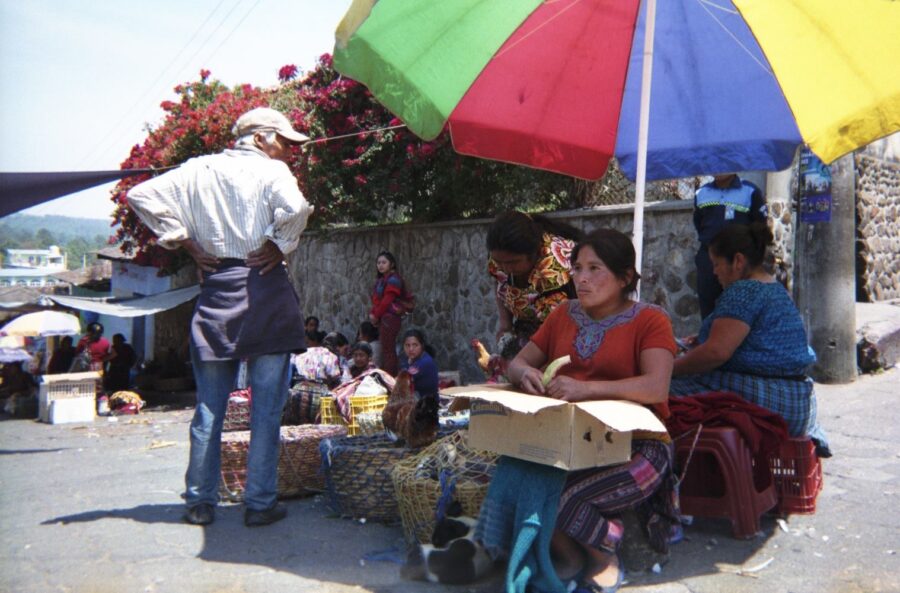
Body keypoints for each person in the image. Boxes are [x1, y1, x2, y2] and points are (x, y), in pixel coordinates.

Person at [126, 107, 313, 528]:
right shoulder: (272, 172)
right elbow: (297, 208)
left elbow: (141, 196)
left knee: (209, 408)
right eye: (284, 141)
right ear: (262, 138)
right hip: (265, 288)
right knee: (267, 410)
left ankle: (199, 501)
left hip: (217, 290)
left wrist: (187, 243)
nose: (287, 151)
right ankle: (260, 503)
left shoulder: (196, 170)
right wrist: (280, 243)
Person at [503, 228, 678, 593]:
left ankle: (604, 555)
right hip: (571, 441)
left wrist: (586, 389)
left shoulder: (651, 320)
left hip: (641, 446)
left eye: (594, 268)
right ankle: (570, 556)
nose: (581, 278)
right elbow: (515, 364)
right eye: (577, 268)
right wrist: (526, 374)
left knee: (565, 501)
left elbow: (655, 386)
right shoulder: (562, 315)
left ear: (625, 277)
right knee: (521, 487)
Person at [670, 223, 826, 447]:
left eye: (717, 264)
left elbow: (716, 352)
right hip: (797, 401)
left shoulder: (744, 291)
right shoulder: (774, 288)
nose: (714, 272)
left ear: (738, 261)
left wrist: (670, 369)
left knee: (659, 392)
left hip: (772, 400)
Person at [486, 211, 582, 359]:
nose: (505, 269)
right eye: (499, 263)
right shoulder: (500, 258)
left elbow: (560, 329)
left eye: (513, 262)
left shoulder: (555, 263)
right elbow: (500, 283)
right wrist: (505, 325)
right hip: (528, 333)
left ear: (534, 254)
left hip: (567, 336)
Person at [693, 173, 767, 318]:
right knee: (709, 308)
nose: (718, 167)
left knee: (741, 307)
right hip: (708, 259)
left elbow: (759, 227)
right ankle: (711, 338)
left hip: (738, 260)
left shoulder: (750, 192)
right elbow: (699, 224)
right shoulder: (701, 193)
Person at [369, 251, 412, 376]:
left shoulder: (394, 280)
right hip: (383, 317)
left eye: (384, 262)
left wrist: (376, 316)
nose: (380, 265)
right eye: (378, 263)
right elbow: (377, 301)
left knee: (389, 350)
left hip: (390, 318)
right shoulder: (381, 280)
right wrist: (373, 314)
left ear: (391, 264)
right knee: (386, 349)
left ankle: (390, 377)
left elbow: (387, 301)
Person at [399, 329, 439, 403]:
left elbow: (401, 382)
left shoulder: (424, 362)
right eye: (407, 345)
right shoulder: (408, 360)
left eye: (415, 345)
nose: (411, 349)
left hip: (427, 407)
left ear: (422, 346)